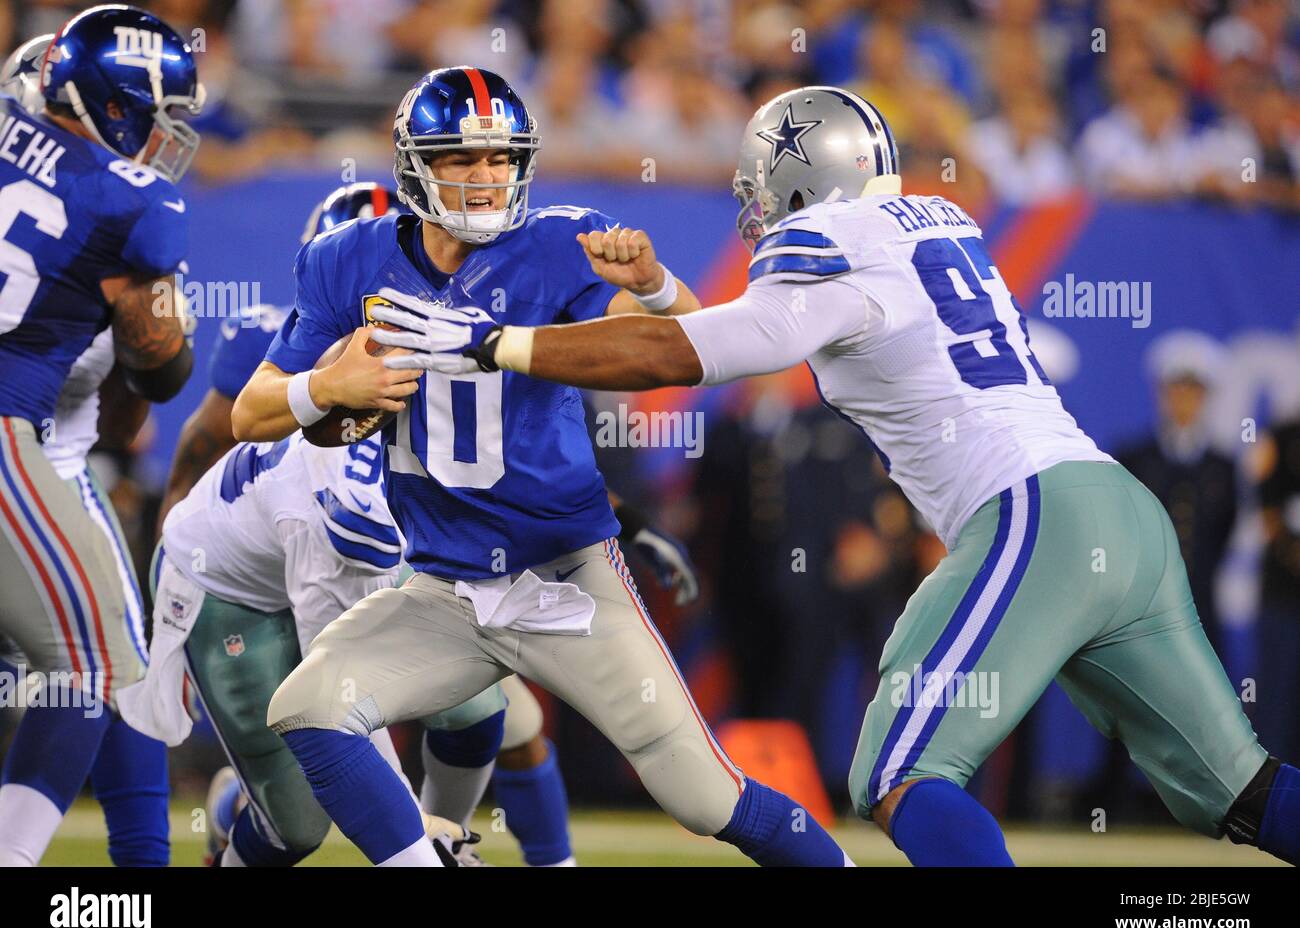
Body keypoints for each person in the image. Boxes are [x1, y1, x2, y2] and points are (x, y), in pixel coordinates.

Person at [378, 85, 1299, 867]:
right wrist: (655, 294)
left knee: (896, 774)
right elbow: (716, 332)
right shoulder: (934, 223)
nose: (755, 210)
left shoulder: (827, 239)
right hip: (1117, 516)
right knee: (1241, 792)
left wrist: (496, 341)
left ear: (803, 176)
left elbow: (691, 353)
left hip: (1035, 512)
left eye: (761, 189)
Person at [232, 66, 850, 867]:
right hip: (443, 588)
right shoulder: (346, 261)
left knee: (707, 797)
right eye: (462, 158)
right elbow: (253, 411)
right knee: (310, 706)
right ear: (415, 163)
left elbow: (694, 338)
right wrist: (327, 386)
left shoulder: (561, 241)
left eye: (501, 159)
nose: (487, 178)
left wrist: (656, 288)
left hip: (565, 580)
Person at [0, 5, 201, 867]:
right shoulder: (131, 208)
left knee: (121, 662)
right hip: (28, 445)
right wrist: (158, 328)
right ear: (110, 107)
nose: (162, 137)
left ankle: (140, 876)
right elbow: (155, 378)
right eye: (153, 116)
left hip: (53, 452)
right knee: (95, 660)